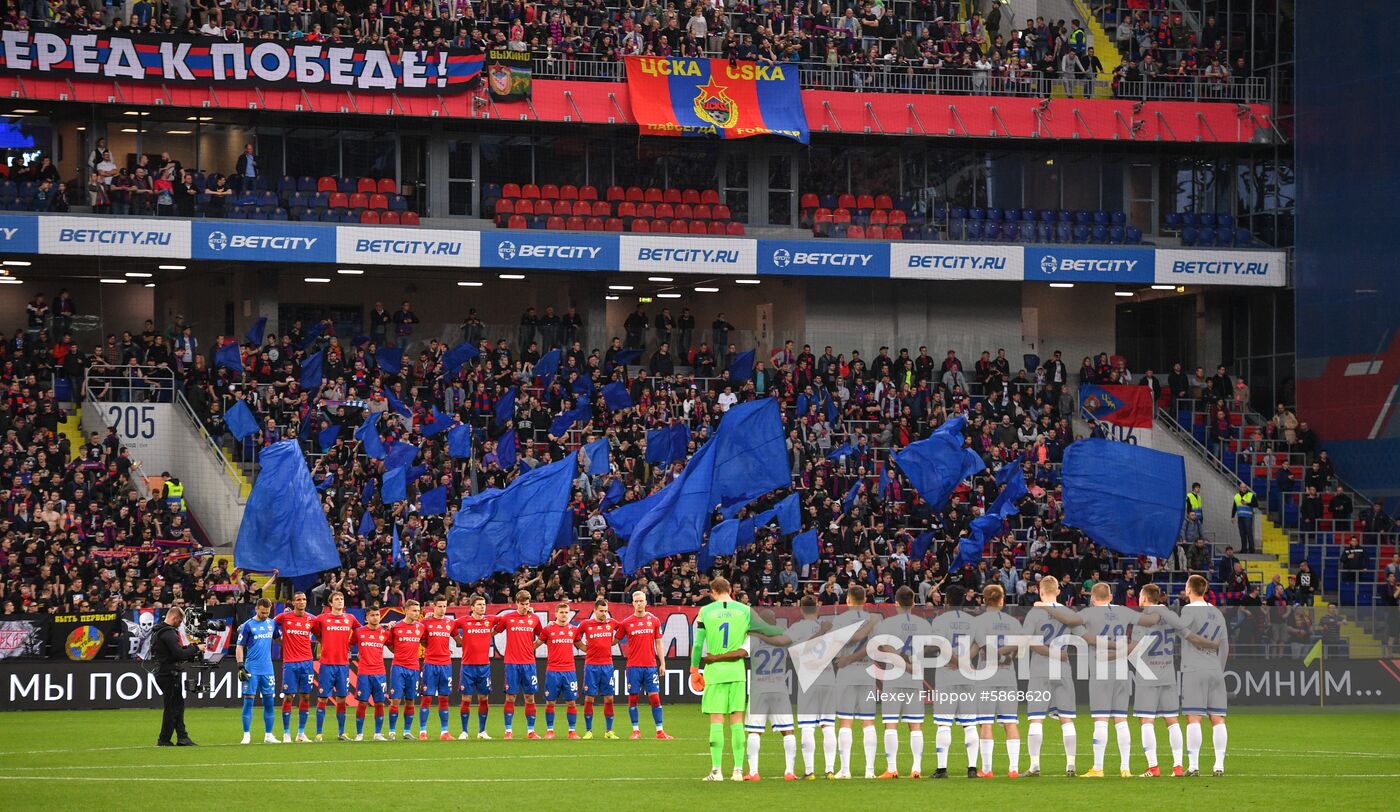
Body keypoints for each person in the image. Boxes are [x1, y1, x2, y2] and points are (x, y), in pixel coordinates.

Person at [1160, 574, 1229, 776]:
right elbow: (1224, 645)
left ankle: (1193, 765)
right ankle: (1219, 765)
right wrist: (1219, 667)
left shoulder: (1188, 610)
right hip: (1215, 669)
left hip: (1194, 669)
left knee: (1194, 718)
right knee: (1218, 719)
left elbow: (1179, 631)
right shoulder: (1217, 612)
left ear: (1189, 589)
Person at [872, 586, 930, 779]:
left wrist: (902, 663)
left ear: (895, 602)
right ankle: (916, 768)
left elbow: (884, 649)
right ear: (913, 603)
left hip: (894, 677)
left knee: (890, 723)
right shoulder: (923, 624)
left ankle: (892, 768)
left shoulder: (887, 623)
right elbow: (930, 648)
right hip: (914, 677)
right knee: (915, 725)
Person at [1024, 576, 1079, 777]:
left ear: (1040, 591)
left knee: (1036, 719)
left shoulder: (1034, 613)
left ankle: (1035, 765)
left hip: (1040, 670)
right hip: (1063, 668)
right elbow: (1082, 635)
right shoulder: (1067, 612)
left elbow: (1028, 641)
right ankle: (1070, 765)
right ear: (1058, 591)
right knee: (1067, 718)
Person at [971, 583, 1023, 778]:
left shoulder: (979, 622)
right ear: (1002, 600)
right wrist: (1007, 658)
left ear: (984, 600)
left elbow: (982, 648)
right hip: (1008, 675)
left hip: (986, 675)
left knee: (986, 723)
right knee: (1010, 722)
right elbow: (1018, 648)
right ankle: (1014, 769)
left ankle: (986, 769)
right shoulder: (1014, 622)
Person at [741, 606, 798, 780]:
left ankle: (753, 772)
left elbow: (742, 653)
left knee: (754, 731)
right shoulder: (783, 636)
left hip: (759, 686)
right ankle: (789, 771)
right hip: (779, 686)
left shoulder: (752, 638)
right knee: (787, 730)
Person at [929, 587, 979, 779]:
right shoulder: (973, 621)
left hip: (946, 675)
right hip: (967, 675)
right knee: (970, 723)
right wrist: (965, 662)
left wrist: (957, 662)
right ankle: (972, 768)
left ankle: (942, 769)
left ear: (947, 600)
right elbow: (978, 643)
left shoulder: (941, 620)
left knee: (943, 724)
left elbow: (940, 646)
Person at [832, 584, 881, 779]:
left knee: (846, 721)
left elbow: (837, 643)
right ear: (865, 600)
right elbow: (876, 647)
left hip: (847, 671)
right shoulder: (873, 620)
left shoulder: (841, 619)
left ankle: (845, 770)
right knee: (868, 722)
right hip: (867, 671)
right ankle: (870, 770)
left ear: (849, 599)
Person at [788, 595, 838, 779]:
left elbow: (794, 650)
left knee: (807, 726)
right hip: (828, 678)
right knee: (828, 725)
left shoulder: (796, 628)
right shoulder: (828, 627)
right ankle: (830, 770)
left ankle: (809, 771)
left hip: (809, 680)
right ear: (817, 608)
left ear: (800, 609)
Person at [615, 590, 673, 740]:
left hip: (650, 666)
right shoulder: (626, 623)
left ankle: (660, 731)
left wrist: (663, 664)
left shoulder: (654, 621)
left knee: (655, 698)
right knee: (633, 698)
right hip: (633, 666)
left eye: (642, 601)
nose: (639, 604)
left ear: (646, 602)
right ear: (632, 603)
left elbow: (658, 643)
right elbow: (614, 641)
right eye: (636, 601)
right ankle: (636, 731)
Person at [493, 590, 545, 739]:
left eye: (527, 604)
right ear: (516, 603)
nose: (524, 607)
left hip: (529, 663)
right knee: (510, 697)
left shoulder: (534, 618)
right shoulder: (508, 618)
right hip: (512, 663)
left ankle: (531, 731)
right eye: (522, 604)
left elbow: (543, 635)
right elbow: (494, 632)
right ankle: (508, 731)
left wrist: (532, 647)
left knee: (530, 697)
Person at [311, 591, 360, 742]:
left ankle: (341, 732)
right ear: (330, 603)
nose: (340, 601)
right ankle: (319, 733)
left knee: (341, 699)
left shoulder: (350, 618)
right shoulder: (321, 618)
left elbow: (360, 631)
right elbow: (314, 630)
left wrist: (350, 645)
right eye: (337, 599)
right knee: (323, 699)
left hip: (343, 665)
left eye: (342, 599)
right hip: (326, 664)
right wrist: (322, 642)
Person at [151, 605, 201, 746]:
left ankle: (182, 737)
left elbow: (173, 652)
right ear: (174, 618)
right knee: (173, 707)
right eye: (179, 622)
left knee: (176, 705)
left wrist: (187, 649)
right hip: (169, 674)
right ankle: (164, 739)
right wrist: (196, 648)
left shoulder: (158, 630)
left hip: (163, 672)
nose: (180, 625)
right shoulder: (169, 633)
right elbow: (178, 654)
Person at [273, 591, 318, 742]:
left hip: (307, 662)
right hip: (290, 663)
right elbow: (269, 624)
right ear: (293, 602)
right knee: (288, 697)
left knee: (305, 696)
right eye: (298, 599)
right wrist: (280, 641)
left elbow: (322, 634)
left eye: (304, 599)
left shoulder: (312, 619)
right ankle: (286, 733)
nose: (302, 602)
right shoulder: (284, 617)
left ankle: (301, 733)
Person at [450, 595, 496, 740]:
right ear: (472, 607)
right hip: (468, 667)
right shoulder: (464, 621)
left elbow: (506, 620)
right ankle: (464, 731)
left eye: (484, 604)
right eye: (479, 604)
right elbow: (448, 626)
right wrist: (459, 640)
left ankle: (482, 731)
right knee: (466, 699)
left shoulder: (490, 620)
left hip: (484, 666)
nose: (483, 607)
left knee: (483, 698)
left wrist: (529, 611)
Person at [235, 598, 280, 745]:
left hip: (268, 669)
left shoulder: (272, 623)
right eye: (262, 612)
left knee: (269, 702)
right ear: (256, 609)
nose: (265, 615)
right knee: (249, 701)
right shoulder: (247, 626)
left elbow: (279, 640)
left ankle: (269, 735)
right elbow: (240, 646)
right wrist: (241, 665)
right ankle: (246, 735)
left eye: (267, 612)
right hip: (252, 669)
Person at [574, 598, 620, 739]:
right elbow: (575, 637)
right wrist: (584, 648)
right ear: (594, 611)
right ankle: (589, 731)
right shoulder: (586, 624)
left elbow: (623, 630)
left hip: (607, 665)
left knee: (609, 699)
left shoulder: (611, 623)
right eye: (601, 611)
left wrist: (613, 642)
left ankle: (609, 731)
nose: (604, 613)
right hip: (591, 666)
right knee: (589, 699)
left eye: (606, 611)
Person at [541, 602, 581, 739]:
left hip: (569, 671)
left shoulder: (574, 630)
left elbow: (581, 645)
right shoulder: (548, 629)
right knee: (550, 702)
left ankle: (572, 731)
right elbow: (537, 643)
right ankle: (550, 730)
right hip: (553, 671)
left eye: (566, 612)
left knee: (571, 702)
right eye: (562, 612)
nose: (564, 615)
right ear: (556, 614)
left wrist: (597, 651)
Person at [351, 604, 391, 741]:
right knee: (362, 703)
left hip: (380, 673)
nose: (375, 618)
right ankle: (359, 734)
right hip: (364, 673)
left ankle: (378, 734)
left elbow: (393, 646)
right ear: (367, 617)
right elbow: (349, 644)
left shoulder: (385, 632)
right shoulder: (359, 632)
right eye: (372, 615)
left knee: (380, 703)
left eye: (377, 615)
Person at [386, 599, 425, 739]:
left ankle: (407, 731)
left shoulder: (420, 627)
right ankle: (392, 731)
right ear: (405, 611)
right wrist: (400, 654)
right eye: (414, 610)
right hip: (398, 668)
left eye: (418, 610)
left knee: (410, 700)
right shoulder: (395, 627)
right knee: (395, 700)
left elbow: (425, 641)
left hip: (414, 668)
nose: (416, 613)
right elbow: (389, 644)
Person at [418, 596, 456, 740]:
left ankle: (444, 732)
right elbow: (420, 638)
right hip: (430, 664)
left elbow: (458, 639)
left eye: (445, 606)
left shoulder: (450, 623)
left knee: (444, 698)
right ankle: (423, 732)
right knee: (427, 698)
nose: (442, 609)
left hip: (445, 664)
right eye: (440, 606)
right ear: (434, 606)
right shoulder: (425, 623)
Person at [1231, 482, 1258, 553]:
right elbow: (1234, 506)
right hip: (1240, 517)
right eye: (1242, 487)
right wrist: (1232, 516)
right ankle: (1244, 549)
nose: (1243, 488)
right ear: (1239, 488)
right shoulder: (1236, 496)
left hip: (1248, 517)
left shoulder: (1251, 495)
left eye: (1244, 487)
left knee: (1249, 532)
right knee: (1242, 533)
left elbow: (1256, 504)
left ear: (1246, 488)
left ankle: (1251, 549)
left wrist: (1248, 503)